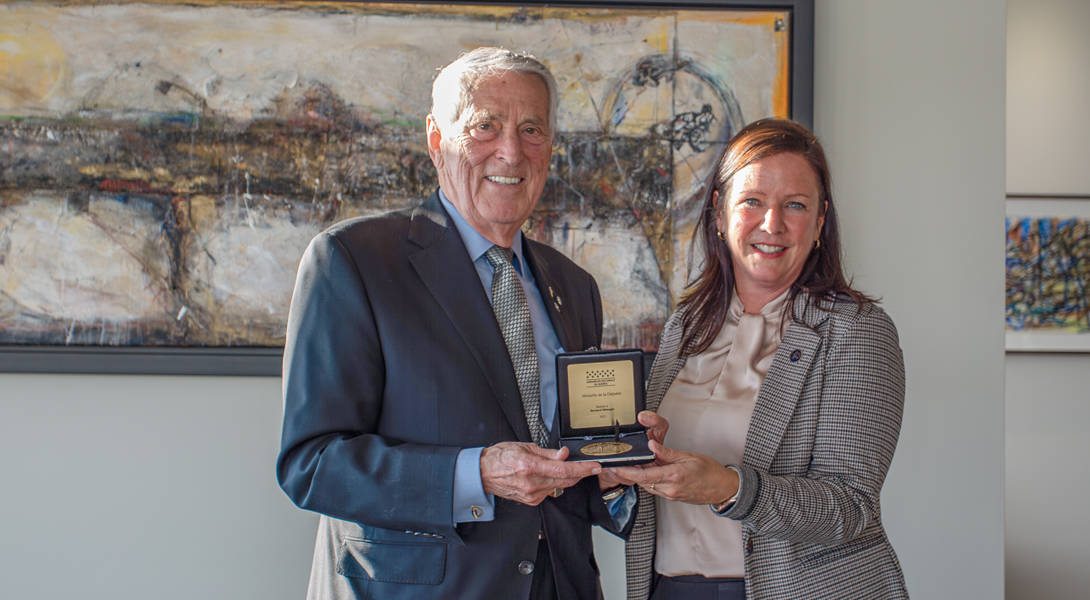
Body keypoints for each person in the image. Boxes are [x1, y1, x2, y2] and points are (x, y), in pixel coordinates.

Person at [276, 47, 629, 600]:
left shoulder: (574, 286)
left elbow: (565, 468)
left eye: (531, 129)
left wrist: (614, 471)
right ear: (437, 140)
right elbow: (313, 463)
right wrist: (476, 474)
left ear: (550, 147)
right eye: (485, 126)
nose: (510, 152)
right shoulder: (354, 260)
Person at [609, 118, 908, 599]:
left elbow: (851, 507)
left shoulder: (855, 330)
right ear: (721, 213)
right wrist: (624, 468)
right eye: (753, 201)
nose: (772, 224)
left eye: (795, 205)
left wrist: (728, 488)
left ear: (819, 222)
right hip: (669, 589)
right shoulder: (685, 325)